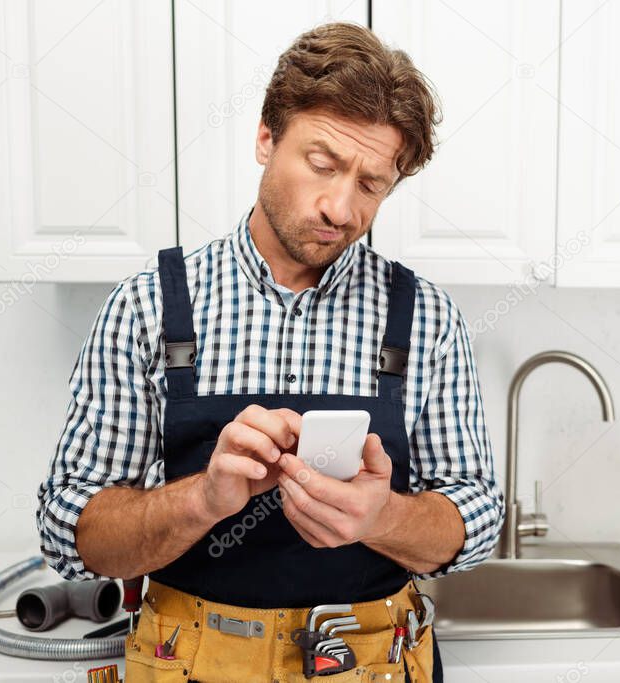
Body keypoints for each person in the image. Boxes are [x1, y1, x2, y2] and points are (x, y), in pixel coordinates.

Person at [35, 22, 504, 682]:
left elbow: (477, 517)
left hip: (371, 660)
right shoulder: (148, 307)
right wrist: (202, 500)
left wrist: (383, 515)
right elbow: (72, 535)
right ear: (265, 137)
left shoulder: (425, 317)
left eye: (372, 184)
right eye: (323, 164)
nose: (340, 207)